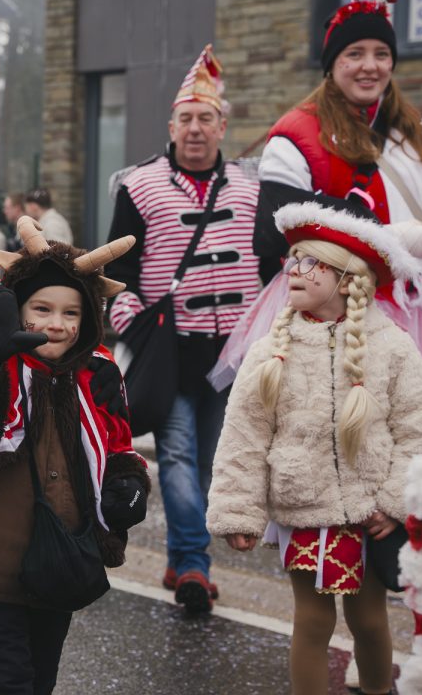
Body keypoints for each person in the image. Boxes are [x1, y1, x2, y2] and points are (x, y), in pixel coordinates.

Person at [0, 216, 148, 694]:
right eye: (42, 308)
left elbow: (117, 443)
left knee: (39, 681)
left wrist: (129, 484)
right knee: (2, 682)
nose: (56, 325)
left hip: (60, 561)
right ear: (18, 308)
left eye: (72, 313)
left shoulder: (96, 374)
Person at [207, 202, 422, 695]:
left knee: (370, 620)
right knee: (311, 621)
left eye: (309, 262)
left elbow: (419, 429)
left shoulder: (392, 346)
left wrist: (395, 503)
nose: (293, 270)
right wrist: (239, 510)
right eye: (291, 259)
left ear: (346, 276)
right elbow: (244, 435)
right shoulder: (272, 349)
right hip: (303, 506)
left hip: (369, 510)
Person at [253, 0, 422, 449]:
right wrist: (390, 237)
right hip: (336, 320)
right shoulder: (295, 136)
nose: (369, 66)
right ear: (332, 64)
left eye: (381, 54)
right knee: (345, 446)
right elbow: (275, 230)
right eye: (354, 54)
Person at [105, 44, 262, 612]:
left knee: (207, 463)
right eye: (186, 119)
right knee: (173, 456)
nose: (196, 129)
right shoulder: (139, 186)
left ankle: (179, 556)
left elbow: (271, 265)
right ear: (171, 126)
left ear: (223, 126)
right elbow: (117, 270)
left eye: (207, 119)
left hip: (231, 356)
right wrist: (132, 325)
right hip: (171, 350)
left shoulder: (252, 188)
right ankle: (195, 565)